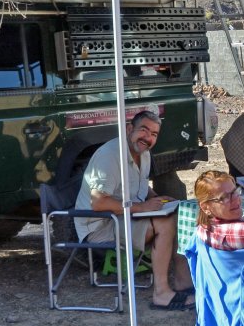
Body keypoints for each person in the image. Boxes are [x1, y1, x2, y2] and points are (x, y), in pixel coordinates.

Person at [75, 110, 194, 310]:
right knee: (165, 223)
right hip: (101, 225)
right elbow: (98, 203)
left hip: (125, 216)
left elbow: (139, 187)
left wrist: (158, 199)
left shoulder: (143, 153)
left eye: (154, 134)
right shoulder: (110, 155)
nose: (148, 138)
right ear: (129, 129)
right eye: (144, 130)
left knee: (179, 214)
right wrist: (141, 207)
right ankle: (161, 294)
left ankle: (183, 283)